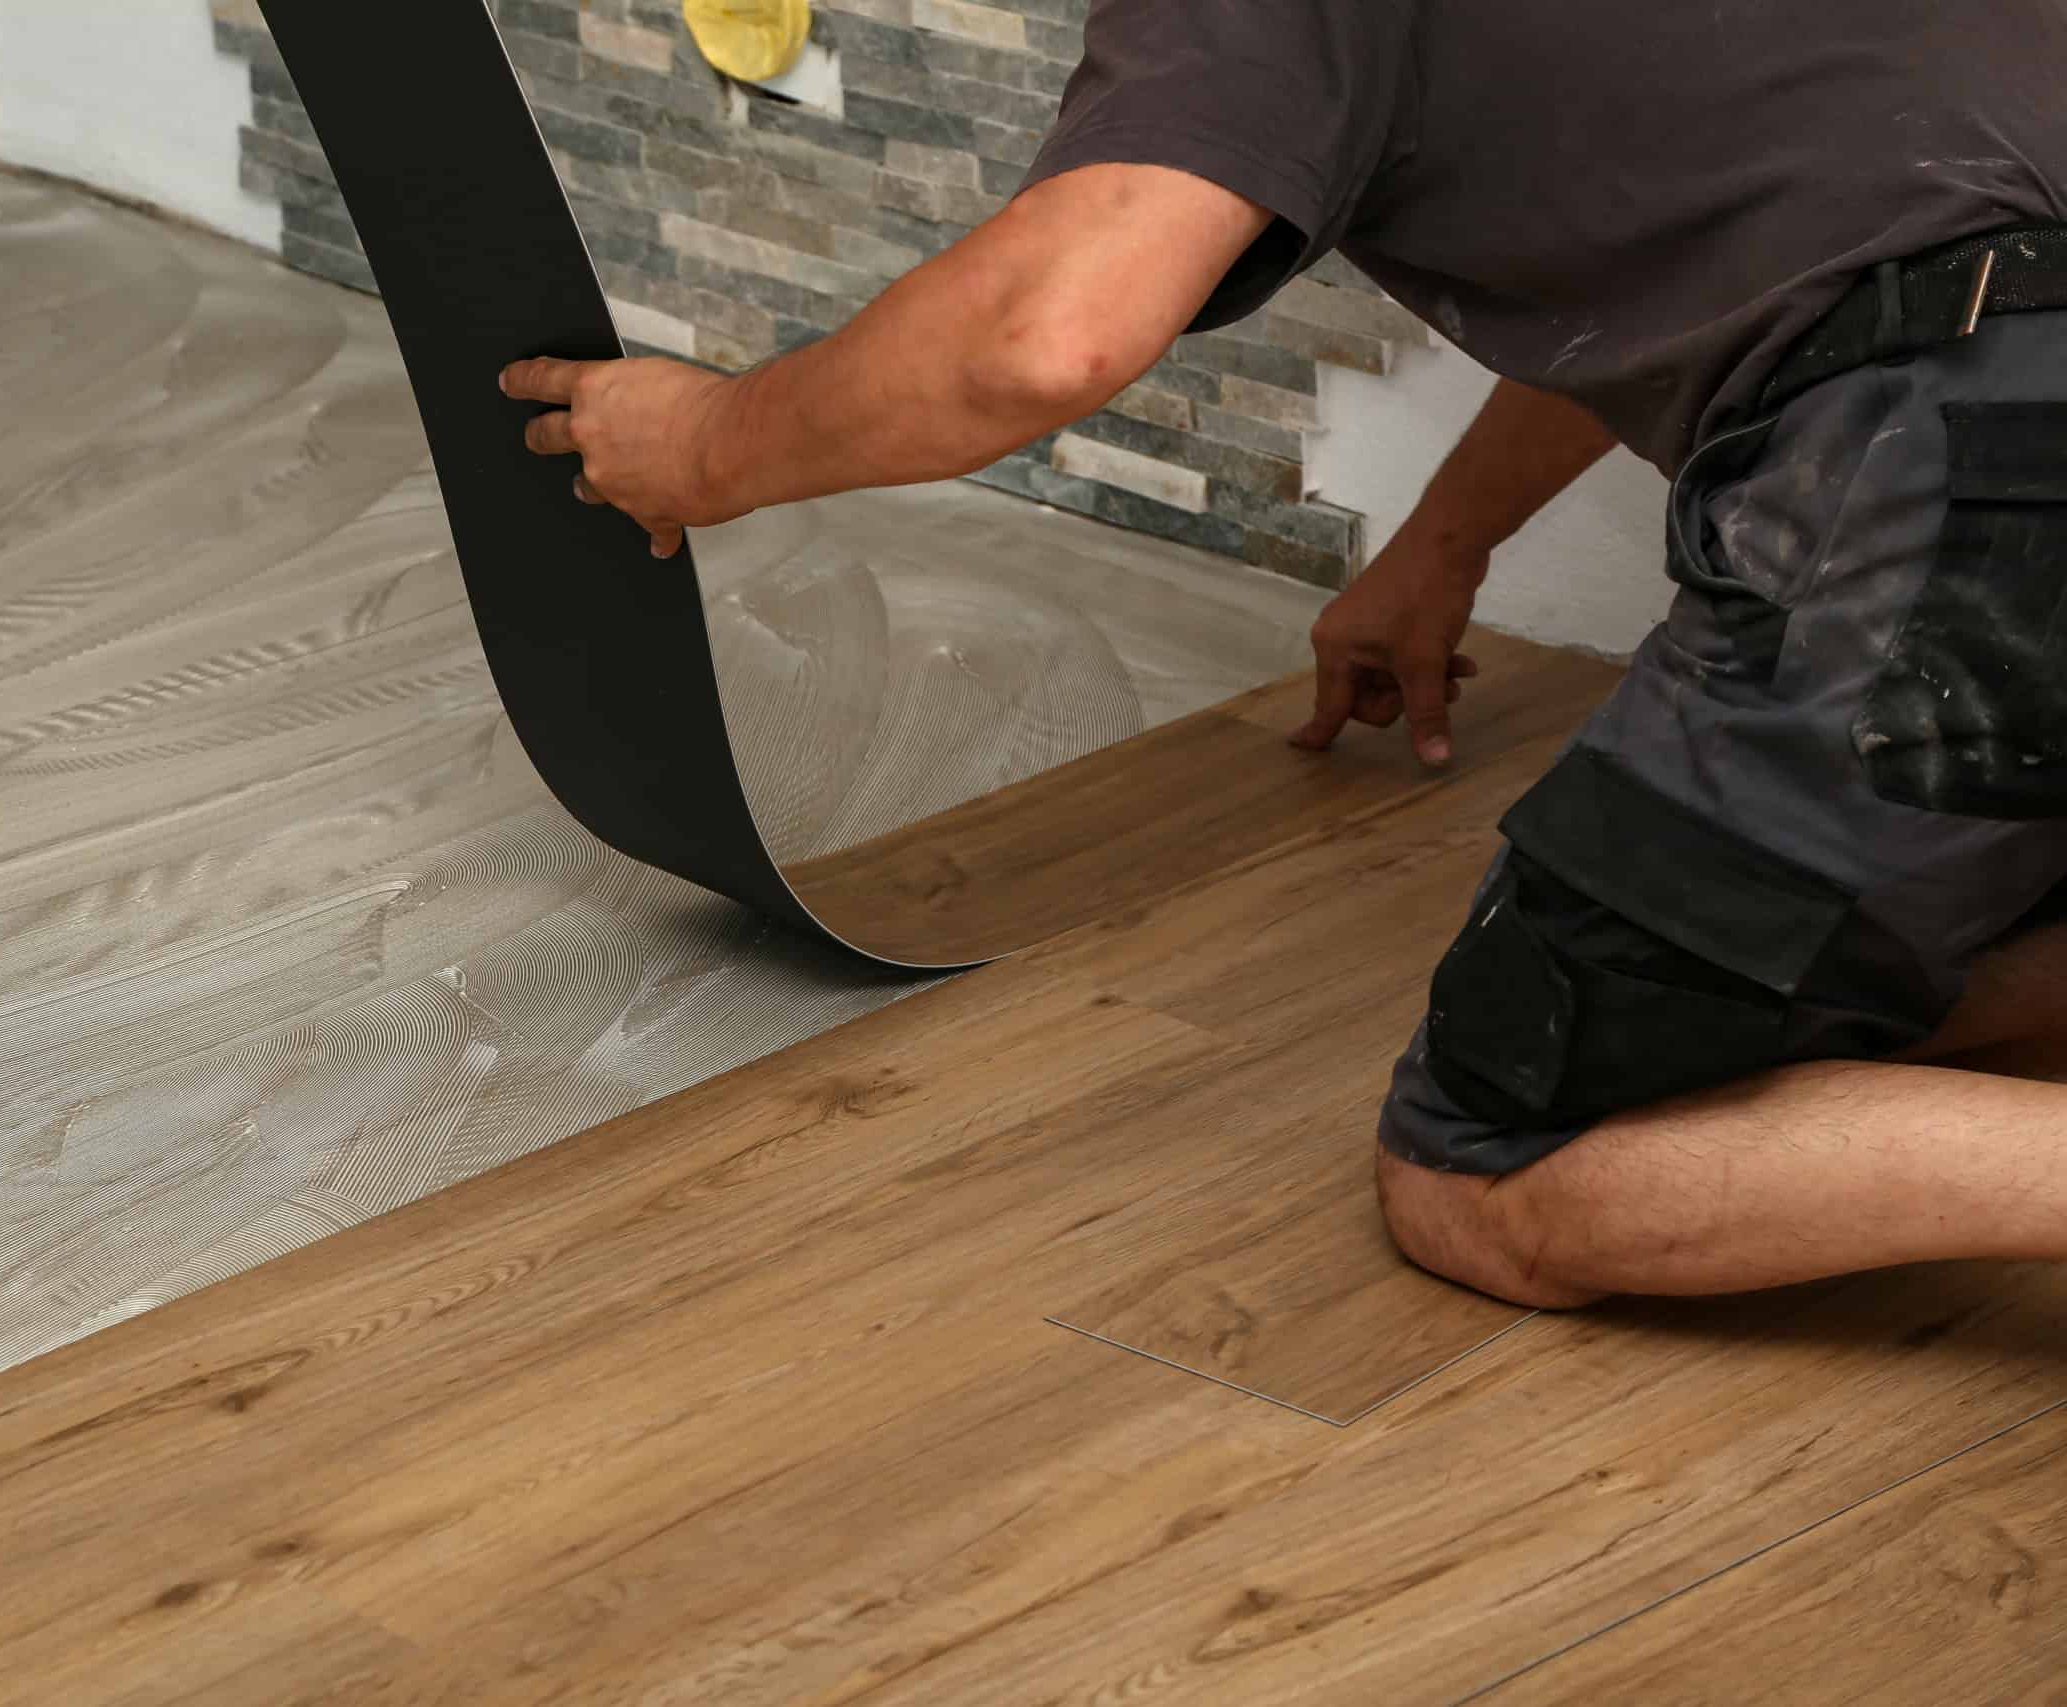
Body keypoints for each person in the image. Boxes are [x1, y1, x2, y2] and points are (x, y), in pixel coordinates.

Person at [501, 0, 2067, 1306]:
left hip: (1990, 486)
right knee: (1869, 967)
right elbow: (1804, 243)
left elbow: (1046, 331)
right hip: (2006, 418)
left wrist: (710, 444)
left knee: (1487, 1162)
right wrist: (1445, 549)